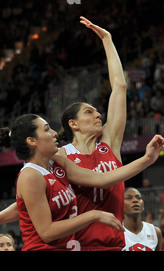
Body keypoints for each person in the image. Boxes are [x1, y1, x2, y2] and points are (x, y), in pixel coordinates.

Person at [0, 16, 132, 251]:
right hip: (79, 245)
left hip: (114, 244)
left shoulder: (109, 143)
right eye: (89, 112)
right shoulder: (60, 157)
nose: (98, 115)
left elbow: (119, 87)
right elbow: (33, 202)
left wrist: (108, 40)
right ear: (73, 124)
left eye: (97, 111)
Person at [0, 114, 164, 250]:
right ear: (32, 141)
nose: (54, 133)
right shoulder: (30, 176)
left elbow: (102, 179)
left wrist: (147, 159)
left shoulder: (57, 163)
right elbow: (47, 232)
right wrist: (94, 215)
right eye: (47, 129)